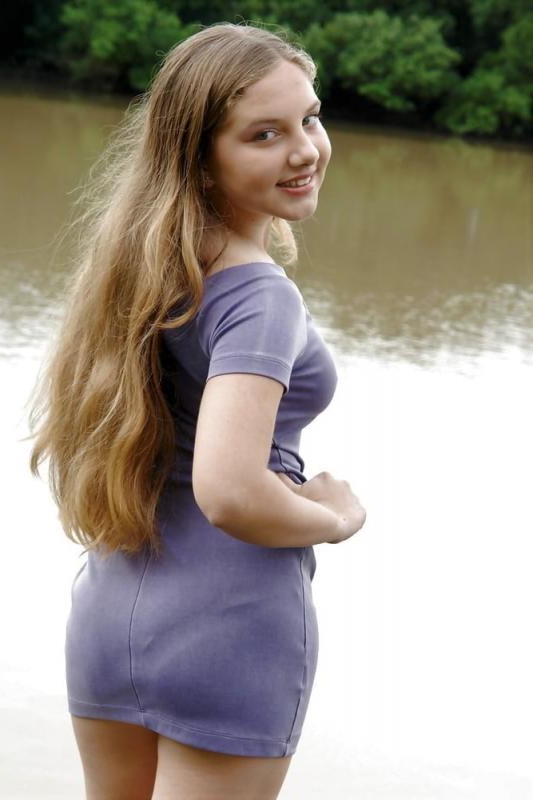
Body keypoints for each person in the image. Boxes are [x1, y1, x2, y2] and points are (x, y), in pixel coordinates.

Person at [28, 21, 367, 800]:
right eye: (263, 134)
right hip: (229, 627)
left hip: (111, 612)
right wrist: (333, 516)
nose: (305, 150)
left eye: (309, 118)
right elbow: (229, 491)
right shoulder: (257, 293)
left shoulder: (139, 267)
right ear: (199, 157)